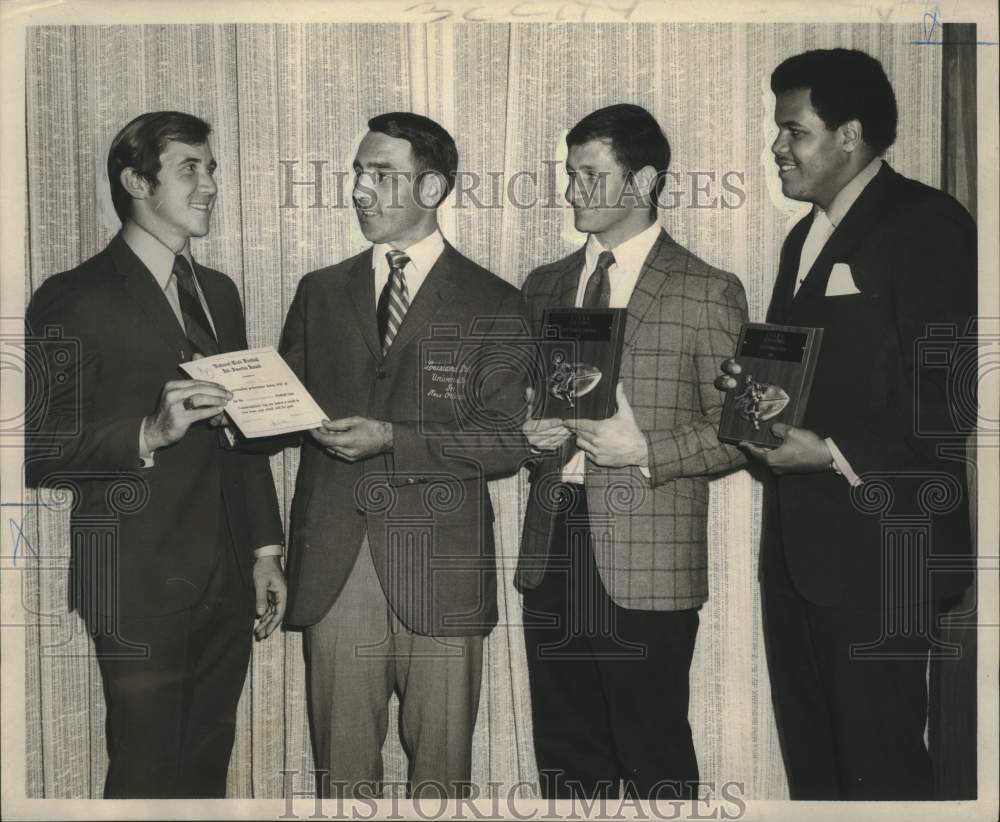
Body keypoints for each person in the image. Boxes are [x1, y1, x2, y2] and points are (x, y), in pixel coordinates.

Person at [24, 111, 287, 798]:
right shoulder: (71, 297)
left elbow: (243, 436)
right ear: (138, 181)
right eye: (190, 168)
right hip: (136, 582)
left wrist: (264, 552)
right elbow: (42, 447)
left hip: (227, 581)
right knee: (144, 776)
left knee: (205, 775)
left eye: (212, 168)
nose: (210, 184)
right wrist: (148, 431)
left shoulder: (220, 293)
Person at [741, 48, 976, 799]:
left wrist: (833, 451)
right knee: (815, 770)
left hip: (885, 555)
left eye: (793, 131)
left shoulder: (928, 223)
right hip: (801, 555)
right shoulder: (801, 238)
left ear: (850, 134)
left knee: (884, 774)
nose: (778, 148)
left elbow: (948, 402)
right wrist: (755, 399)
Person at [278, 112, 526, 798]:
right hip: (335, 561)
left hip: (441, 570)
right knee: (343, 779)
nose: (359, 189)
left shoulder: (495, 301)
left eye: (380, 174)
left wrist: (394, 438)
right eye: (358, 172)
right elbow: (283, 408)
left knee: (441, 781)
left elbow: (507, 439)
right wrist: (234, 399)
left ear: (431, 187)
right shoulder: (318, 291)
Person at [516, 103, 748, 799]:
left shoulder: (707, 290)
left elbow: (741, 431)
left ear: (643, 180)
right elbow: (524, 409)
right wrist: (530, 434)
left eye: (591, 175)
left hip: (649, 562)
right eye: (569, 175)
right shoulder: (544, 285)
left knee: (652, 754)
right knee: (565, 752)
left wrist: (645, 449)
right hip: (553, 544)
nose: (572, 191)